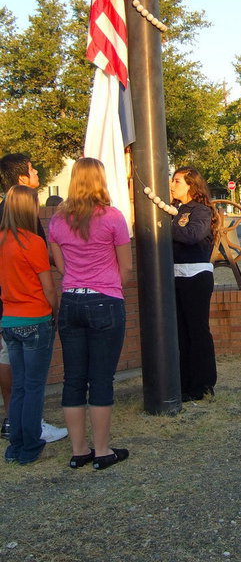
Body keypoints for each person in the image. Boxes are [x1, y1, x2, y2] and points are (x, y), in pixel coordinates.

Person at [48, 158, 132, 469]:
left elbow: (60, 267)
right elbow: (126, 266)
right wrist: (109, 288)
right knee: (101, 379)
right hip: (104, 301)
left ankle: (79, 450)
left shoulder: (57, 221)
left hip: (71, 302)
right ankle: (101, 450)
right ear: (100, 180)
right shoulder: (112, 217)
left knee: (73, 379)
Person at [0, 153, 67, 444]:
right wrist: (56, 310)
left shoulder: (5, 231)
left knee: (18, 378)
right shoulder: (28, 234)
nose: (37, 170)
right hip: (32, 313)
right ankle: (31, 433)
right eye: (31, 169)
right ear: (21, 180)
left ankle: (15, 429)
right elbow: (47, 282)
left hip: (9, 313)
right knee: (31, 382)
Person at [170, 167, 218, 401]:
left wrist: (168, 223)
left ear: (191, 185)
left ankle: (202, 384)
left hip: (195, 277)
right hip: (175, 276)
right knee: (180, 333)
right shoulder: (174, 210)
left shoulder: (201, 211)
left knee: (197, 332)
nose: (172, 185)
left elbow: (191, 235)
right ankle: (184, 384)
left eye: (177, 181)